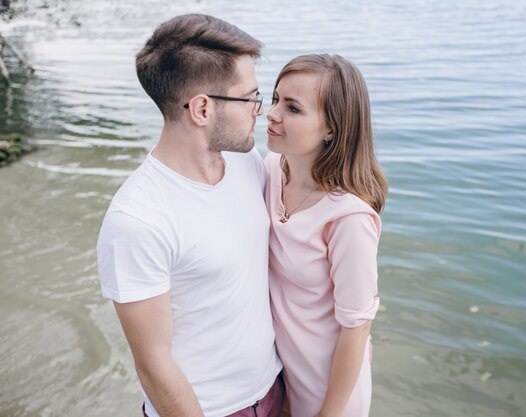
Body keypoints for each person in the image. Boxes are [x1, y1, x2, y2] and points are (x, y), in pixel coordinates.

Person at [96, 14, 283, 417]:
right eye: (251, 97)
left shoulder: (246, 162)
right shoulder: (138, 220)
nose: (261, 111)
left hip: (274, 389)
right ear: (201, 109)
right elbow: (153, 364)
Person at [264, 54, 387, 417]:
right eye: (274, 99)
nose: (272, 114)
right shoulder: (270, 170)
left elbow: (357, 327)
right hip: (278, 378)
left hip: (328, 391)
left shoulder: (348, 218)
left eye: (293, 108)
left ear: (331, 128)